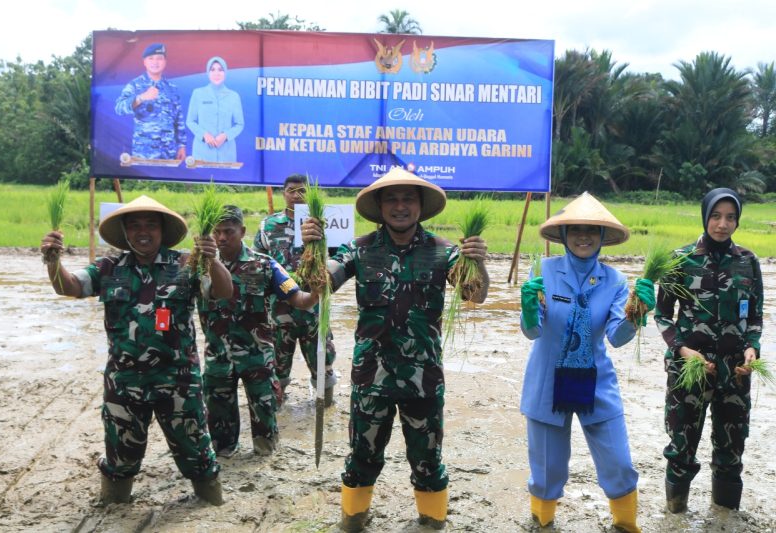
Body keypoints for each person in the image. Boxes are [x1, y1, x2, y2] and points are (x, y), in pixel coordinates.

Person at [300, 168, 490, 531]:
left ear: (420, 205)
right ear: (380, 206)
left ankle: (431, 523)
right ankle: (353, 520)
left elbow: (475, 295)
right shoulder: (359, 249)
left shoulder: (444, 252)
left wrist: (477, 260)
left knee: (427, 461)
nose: (400, 206)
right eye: (391, 199)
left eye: (408, 199)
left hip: (423, 381)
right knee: (361, 458)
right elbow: (318, 288)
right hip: (371, 380)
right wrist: (311, 249)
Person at [39, 195, 233, 506]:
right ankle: (114, 506)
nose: (143, 232)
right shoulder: (108, 267)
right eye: (135, 226)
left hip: (179, 381)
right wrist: (53, 261)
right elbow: (69, 287)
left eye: (151, 225)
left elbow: (223, 292)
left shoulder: (186, 264)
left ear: (162, 230)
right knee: (120, 458)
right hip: (124, 382)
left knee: (197, 453)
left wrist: (213, 259)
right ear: (125, 232)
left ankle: (211, 504)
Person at [519, 192, 654, 532]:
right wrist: (528, 310)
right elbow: (533, 332)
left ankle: (625, 524)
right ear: (563, 234)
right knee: (547, 470)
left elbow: (616, 337)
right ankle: (542, 522)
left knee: (619, 463)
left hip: (596, 381)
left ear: (603, 236)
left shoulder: (615, 281)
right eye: (576, 229)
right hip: (548, 381)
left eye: (592, 229)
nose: (583, 236)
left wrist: (637, 314)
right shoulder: (543, 271)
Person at [655, 188, 763, 513]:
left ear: (737, 221)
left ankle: (725, 515)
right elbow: (662, 315)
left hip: (735, 372)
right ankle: (675, 516)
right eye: (716, 216)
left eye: (730, 217)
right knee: (681, 446)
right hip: (689, 369)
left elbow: (755, 317)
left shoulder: (748, 261)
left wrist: (752, 349)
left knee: (732, 449)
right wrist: (681, 349)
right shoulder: (680, 259)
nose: (722, 224)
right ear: (705, 217)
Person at [198, 206, 319, 457]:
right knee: (219, 421)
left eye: (228, 232)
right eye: (217, 232)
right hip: (218, 356)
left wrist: (317, 292)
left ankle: (265, 454)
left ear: (242, 231)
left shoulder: (265, 264)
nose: (222, 238)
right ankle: (225, 455)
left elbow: (299, 299)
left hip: (257, 356)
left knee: (265, 416)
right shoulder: (199, 267)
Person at [253, 174, 337, 406]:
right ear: (283, 193)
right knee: (277, 363)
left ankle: (325, 405)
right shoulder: (268, 225)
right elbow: (257, 263)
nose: (297, 195)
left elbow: (340, 259)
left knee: (323, 361)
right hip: (279, 310)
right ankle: (277, 407)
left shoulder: (323, 222)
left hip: (315, 309)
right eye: (291, 190)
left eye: (302, 191)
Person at [114, 43, 187, 161]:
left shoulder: (171, 88)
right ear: (144, 62)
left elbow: (178, 119)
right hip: (144, 153)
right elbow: (119, 108)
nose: (155, 62)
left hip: (168, 153)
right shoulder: (135, 85)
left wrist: (181, 146)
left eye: (159, 58)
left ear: (165, 62)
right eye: (151, 58)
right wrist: (140, 98)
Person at [186, 56, 244, 163]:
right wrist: (204, 135)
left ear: (225, 72)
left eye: (220, 70)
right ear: (208, 73)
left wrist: (225, 136)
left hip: (226, 153)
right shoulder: (198, 93)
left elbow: (239, 124)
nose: (216, 73)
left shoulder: (233, 96)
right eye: (212, 69)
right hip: (202, 151)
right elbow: (190, 121)